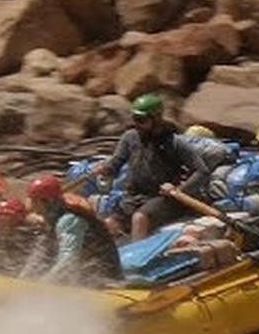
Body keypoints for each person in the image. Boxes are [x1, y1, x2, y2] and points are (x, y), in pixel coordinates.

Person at [92, 93, 222, 240]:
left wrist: (179, 190)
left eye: (141, 120)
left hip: (164, 198)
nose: (137, 124)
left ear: (156, 119)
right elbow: (116, 163)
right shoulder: (130, 138)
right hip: (134, 196)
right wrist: (106, 169)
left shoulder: (174, 143)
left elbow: (202, 171)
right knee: (109, 224)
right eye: (135, 119)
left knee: (139, 218)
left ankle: (136, 259)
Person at [21, 174, 122, 286]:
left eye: (35, 202)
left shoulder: (70, 220)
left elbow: (68, 261)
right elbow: (40, 255)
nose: (33, 208)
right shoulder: (53, 219)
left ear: (46, 201)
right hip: (84, 280)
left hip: (105, 283)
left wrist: (42, 286)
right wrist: (22, 281)